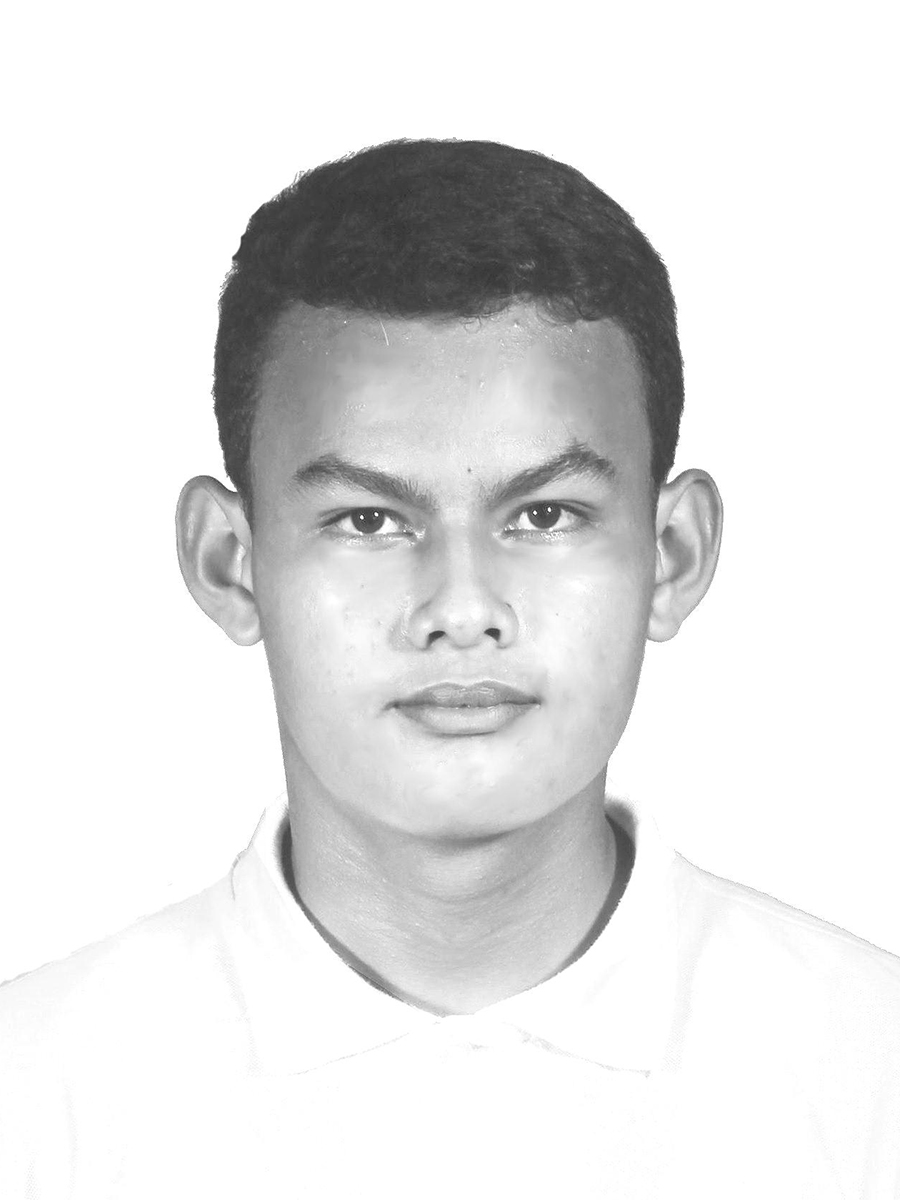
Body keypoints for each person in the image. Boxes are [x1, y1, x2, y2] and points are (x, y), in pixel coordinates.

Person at [1, 138, 897, 1198]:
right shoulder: (32, 1101)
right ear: (229, 563)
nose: (462, 610)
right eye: (368, 519)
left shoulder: (870, 1080)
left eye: (546, 515)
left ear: (672, 553)